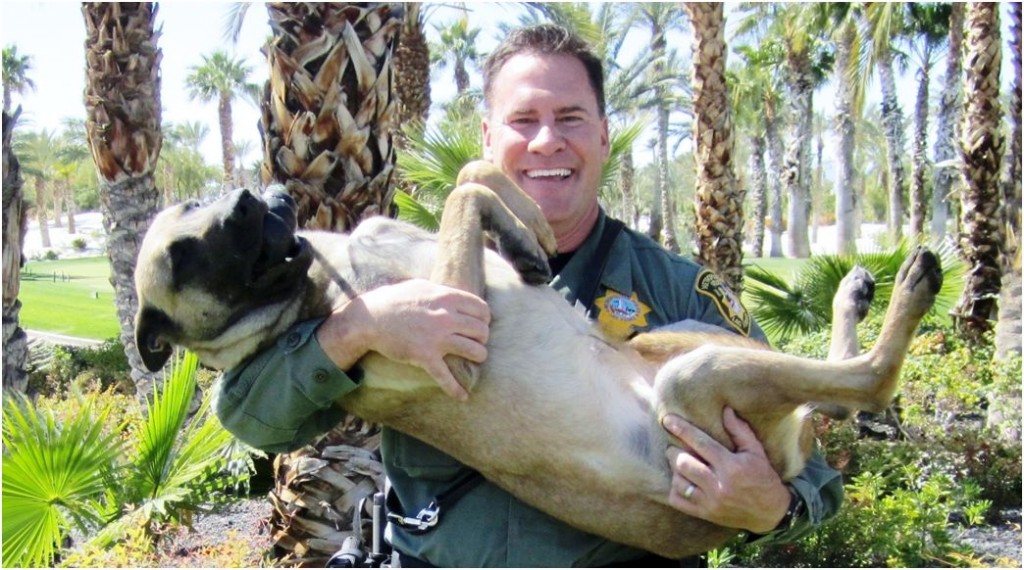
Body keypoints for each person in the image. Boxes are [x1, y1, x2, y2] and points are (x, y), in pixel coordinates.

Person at [215, 24, 843, 567]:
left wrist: (773, 505)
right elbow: (253, 417)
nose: (547, 141)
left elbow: (807, 440)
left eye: (570, 119)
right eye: (523, 122)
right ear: (488, 139)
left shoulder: (674, 286)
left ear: (603, 135)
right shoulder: (408, 276)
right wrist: (359, 329)